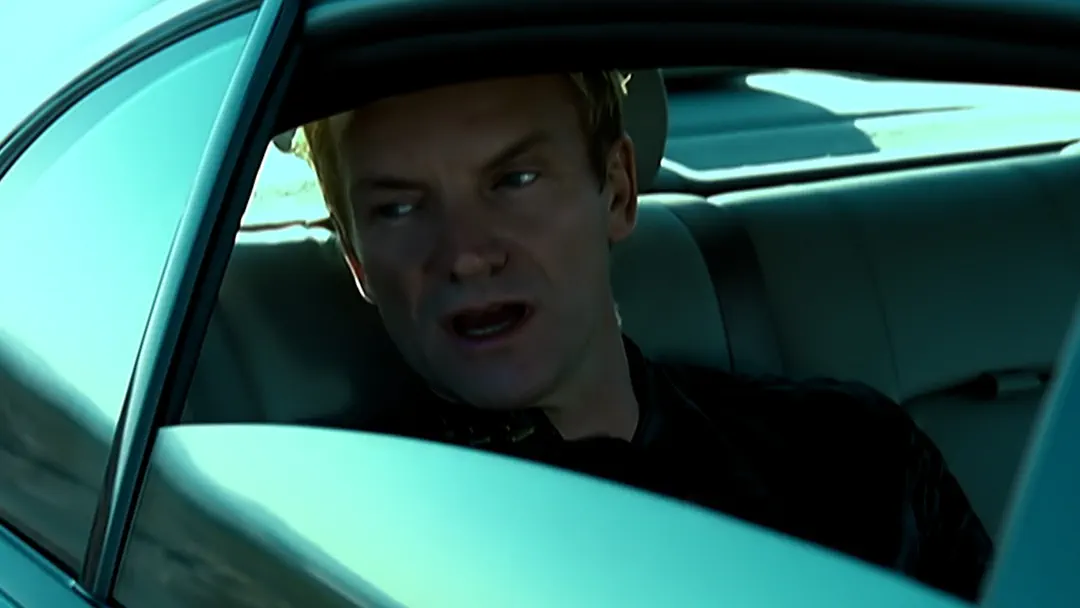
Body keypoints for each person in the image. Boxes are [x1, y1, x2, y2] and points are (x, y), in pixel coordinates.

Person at [297, 71, 992, 601]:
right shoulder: (317, 541)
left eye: (515, 180)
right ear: (356, 258)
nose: (466, 254)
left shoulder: (854, 462)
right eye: (398, 209)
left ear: (619, 191)